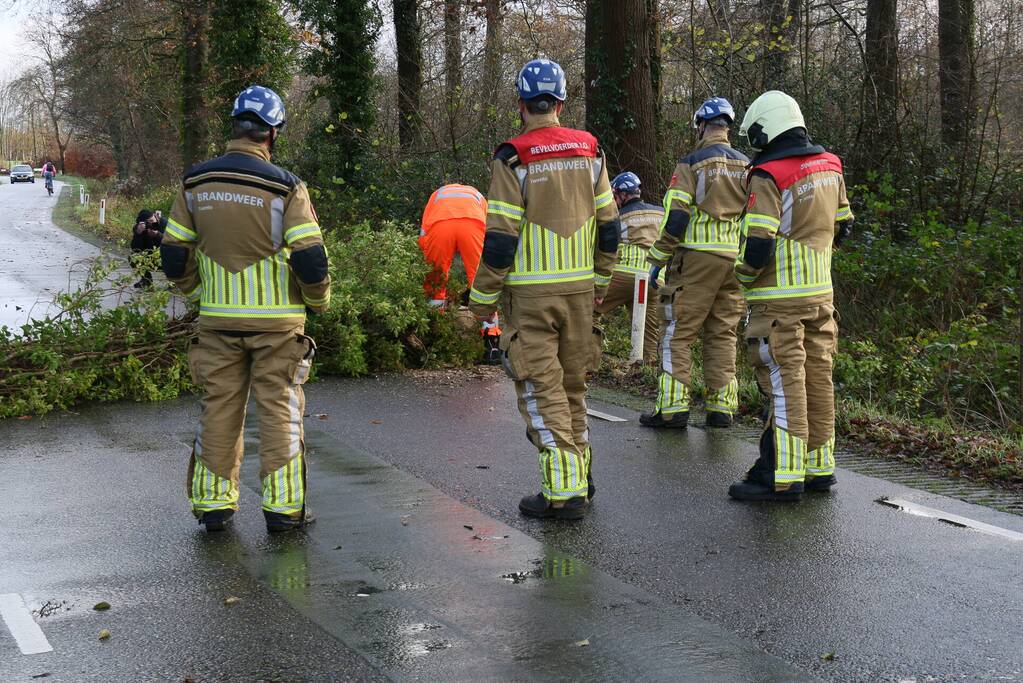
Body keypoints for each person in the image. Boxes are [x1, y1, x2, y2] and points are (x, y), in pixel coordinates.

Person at [160, 85, 331, 532]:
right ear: (272, 133)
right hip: (278, 327)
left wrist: (198, 293)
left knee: (219, 409)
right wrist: (318, 301)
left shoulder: (195, 183)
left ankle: (214, 506)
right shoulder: (285, 186)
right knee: (280, 411)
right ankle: (283, 510)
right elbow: (311, 259)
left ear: (235, 126)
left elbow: (173, 253)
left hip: (217, 324)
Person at [468, 58, 619, 521]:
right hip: (580, 293)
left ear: (521, 104)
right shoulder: (590, 150)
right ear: (559, 102)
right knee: (572, 388)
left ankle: (564, 491)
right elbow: (611, 226)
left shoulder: (512, 157)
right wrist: (601, 279)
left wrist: (481, 301)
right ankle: (582, 477)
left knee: (540, 388)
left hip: (532, 296)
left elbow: (500, 238)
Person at [728, 90, 854, 502]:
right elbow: (844, 225)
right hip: (821, 296)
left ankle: (781, 476)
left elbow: (759, 243)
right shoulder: (830, 165)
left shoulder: (768, 175)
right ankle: (819, 469)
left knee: (785, 385)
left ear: (770, 127)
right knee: (819, 380)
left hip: (778, 301)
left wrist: (742, 277)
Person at [641, 97, 749, 430]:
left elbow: (676, 217)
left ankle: (672, 408)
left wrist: (658, 257)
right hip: (733, 261)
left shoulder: (691, 163)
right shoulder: (747, 166)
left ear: (702, 125)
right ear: (727, 128)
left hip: (696, 260)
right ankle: (721, 409)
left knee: (678, 333)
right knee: (723, 334)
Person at [419, 183, 502, 364]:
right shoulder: (478, 195)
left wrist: (428, 259)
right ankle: (491, 344)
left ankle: (434, 335)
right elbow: (489, 230)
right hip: (473, 223)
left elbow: (424, 233)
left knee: (435, 282)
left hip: (440, 224)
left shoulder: (436, 195)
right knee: (481, 281)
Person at [592, 171, 662, 362]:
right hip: (655, 278)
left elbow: (604, 244)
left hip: (624, 274)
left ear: (622, 194)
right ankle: (646, 368)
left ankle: (588, 362)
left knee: (589, 311)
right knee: (649, 330)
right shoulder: (659, 212)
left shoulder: (617, 216)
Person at [130, 209, 165, 288]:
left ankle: (174, 282)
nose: (152, 223)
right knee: (134, 258)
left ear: (155, 215)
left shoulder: (164, 223)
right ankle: (146, 280)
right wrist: (138, 233)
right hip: (150, 258)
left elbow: (172, 242)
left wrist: (157, 235)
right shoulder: (139, 228)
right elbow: (135, 249)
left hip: (166, 257)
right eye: (149, 222)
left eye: (153, 220)